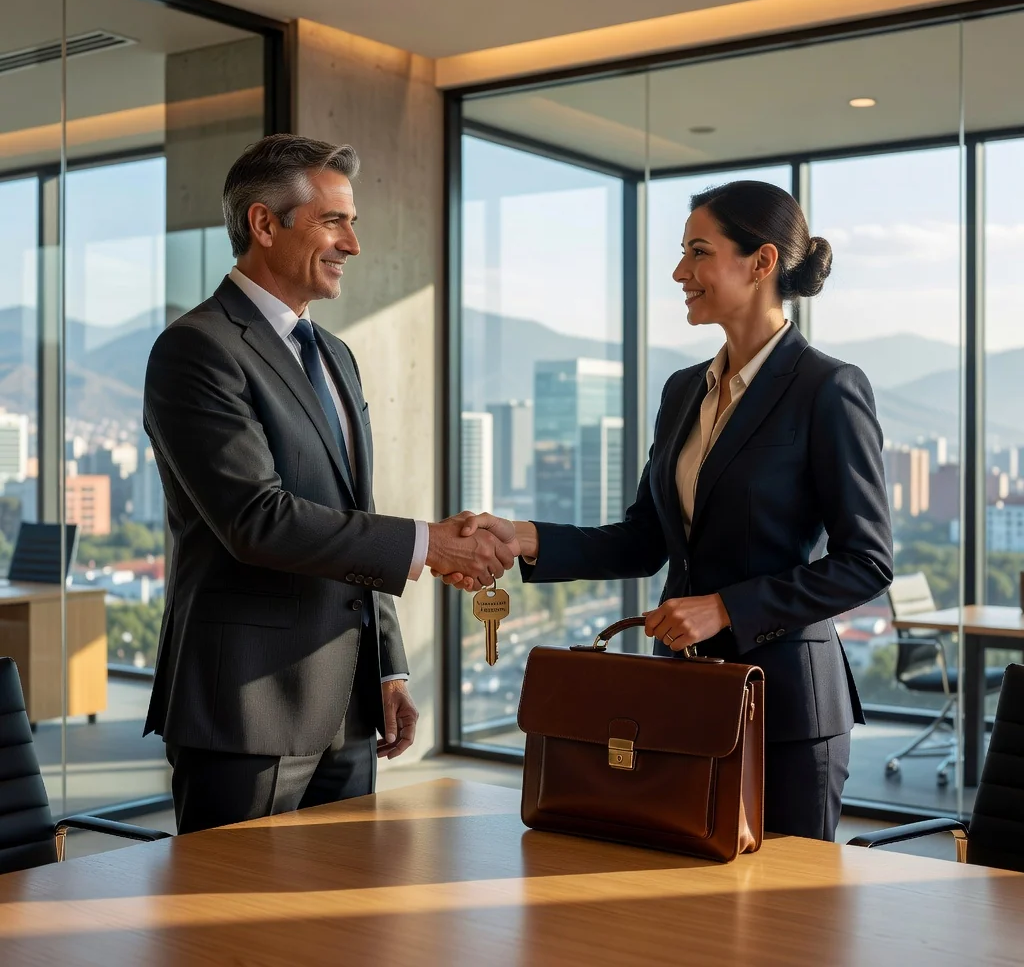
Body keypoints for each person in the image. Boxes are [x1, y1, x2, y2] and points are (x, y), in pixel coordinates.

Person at [445, 180, 894, 841]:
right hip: (682, 696)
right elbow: (643, 540)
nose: (680, 272)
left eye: (698, 252)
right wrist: (521, 535)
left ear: (762, 262)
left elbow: (867, 563)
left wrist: (726, 608)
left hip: (786, 712)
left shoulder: (828, 388)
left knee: (780, 904)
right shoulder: (684, 391)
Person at [143, 133, 516, 834]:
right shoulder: (197, 348)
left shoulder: (335, 355)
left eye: (354, 222)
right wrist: (430, 544)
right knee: (230, 901)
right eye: (334, 221)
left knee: (345, 897)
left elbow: (354, 514)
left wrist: (387, 669)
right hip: (248, 706)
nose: (353, 244)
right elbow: (256, 520)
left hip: (349, 707)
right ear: (263, 223)